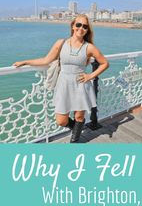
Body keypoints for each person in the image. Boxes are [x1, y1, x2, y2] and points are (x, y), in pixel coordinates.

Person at [13, 14, 109, 143]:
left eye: (85, 26)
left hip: (80, 84)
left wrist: (90, 76)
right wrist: (25, 62)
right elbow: (46, 60)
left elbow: (105, 63)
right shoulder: (61, 43)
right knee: (61, 120)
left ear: (87, 30)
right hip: (63, 84)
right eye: (78, 25)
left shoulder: (89, 47)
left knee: (79, 116)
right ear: (73, 26)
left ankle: (74, 141)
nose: (81, 28)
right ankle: (77, 128)